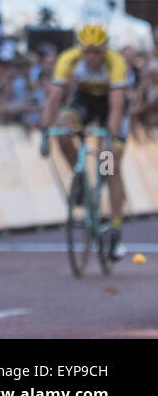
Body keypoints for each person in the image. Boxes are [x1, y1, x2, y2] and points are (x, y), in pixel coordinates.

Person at [39, 23, 131, 260]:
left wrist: (108, 142)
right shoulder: (68, 59)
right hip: (85, 102)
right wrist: (44, 132)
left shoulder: (116, 63)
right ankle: (79, 177)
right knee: (63, 128)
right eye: (87, 51)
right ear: (80, 50)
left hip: (110, 107)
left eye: (96, 51)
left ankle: (116, 230)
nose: (91, 57)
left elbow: (116, 107)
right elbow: (54, 98)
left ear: (105, 50)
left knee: (110, 165)